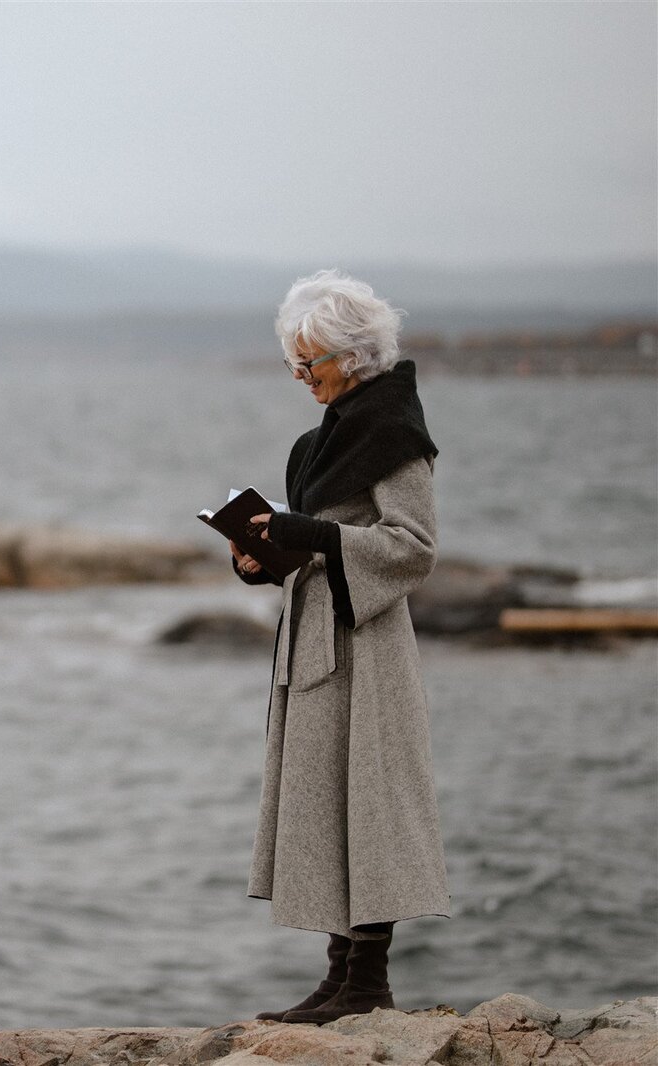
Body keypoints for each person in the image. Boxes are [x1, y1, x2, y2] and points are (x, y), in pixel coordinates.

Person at [230, 269, 449, 1024]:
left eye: (309, 363)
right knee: (326, 806)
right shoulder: (319, 438)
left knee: (371, 805)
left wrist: (308, 534)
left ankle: (369, 984)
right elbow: (316, 545)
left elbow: (413, 547)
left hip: (368, 646)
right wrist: (262, 559)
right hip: (315, 643)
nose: (301, 376)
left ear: (351, 356)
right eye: (294, 362)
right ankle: (337, 981)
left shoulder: (395, 435)